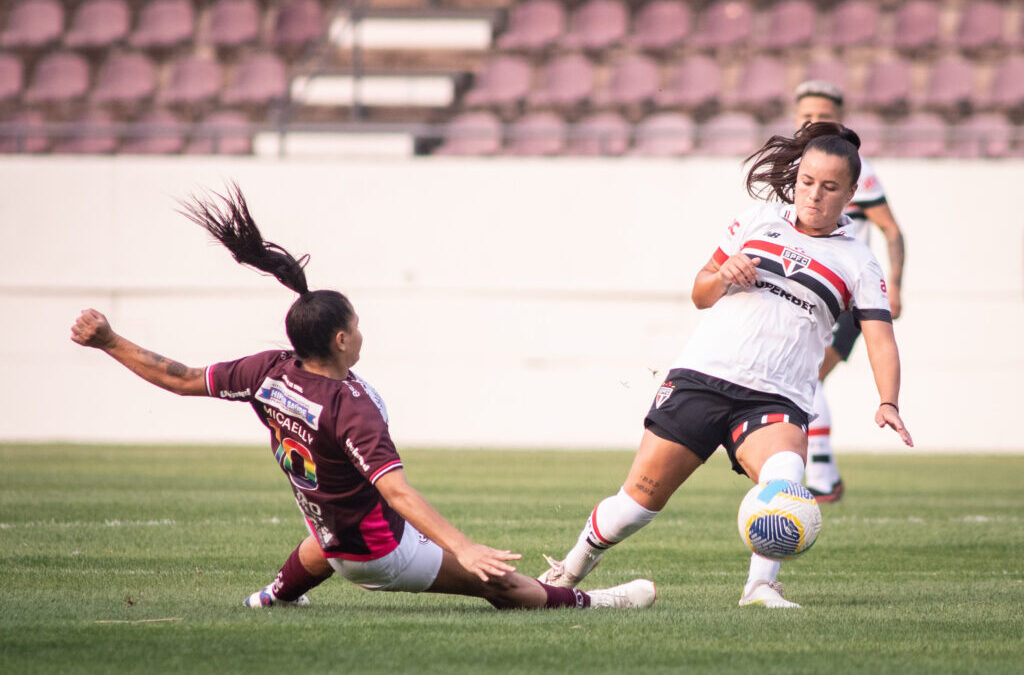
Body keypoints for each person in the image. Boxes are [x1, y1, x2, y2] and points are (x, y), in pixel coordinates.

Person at [70, 183, 656, 612]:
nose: (363, 332)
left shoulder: (268, 370)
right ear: (343, 337)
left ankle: (272, 598)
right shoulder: (350, 406)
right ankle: (594, 603)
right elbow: (395, 489)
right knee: (497, 586)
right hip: (379, 552)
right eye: (359, 325)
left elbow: (180, 377)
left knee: (330, 525)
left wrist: (109, 341)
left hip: (331, 529)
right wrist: (464, 546)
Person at [536, 122, 913, 609]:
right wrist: (722, 276)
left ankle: (760, 587)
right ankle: (571, 568)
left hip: (778, 397)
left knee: (784, 478)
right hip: (703, 378)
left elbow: (880, 337)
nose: (814, 195)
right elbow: (700, 292)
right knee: (635, 507)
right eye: (806, 182)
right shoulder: (757, 221)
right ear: (796, 178)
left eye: (830, 187)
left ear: (852, 192)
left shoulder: (860, 262)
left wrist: (888, 401)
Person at [793, 80, 908, 502]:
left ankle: (822, 480)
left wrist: (893, 287)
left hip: (843, 297)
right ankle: (824, 476)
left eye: (822, 115)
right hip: (799, 295)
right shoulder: (796, 171)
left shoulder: (858, 171)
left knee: (807, 376)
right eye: (806, 115)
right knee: (802, 379)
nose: (812, 122)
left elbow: (891, 229)